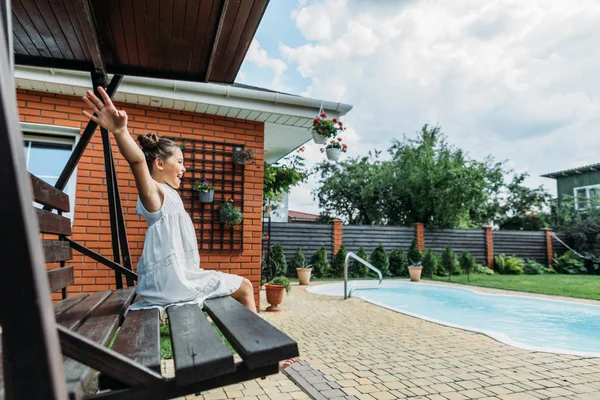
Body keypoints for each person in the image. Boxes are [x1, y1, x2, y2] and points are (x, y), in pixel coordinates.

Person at [82, 87, 296, 370]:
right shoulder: (154, 192)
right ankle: (264, 357)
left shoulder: (172, 195)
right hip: (171, 285)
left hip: (176, 279)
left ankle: (262, 356)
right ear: (159, 163)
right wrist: (120, 131)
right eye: (179, 161)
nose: (184, 168)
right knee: (244, 287)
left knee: (244, 287)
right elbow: (136, 161)